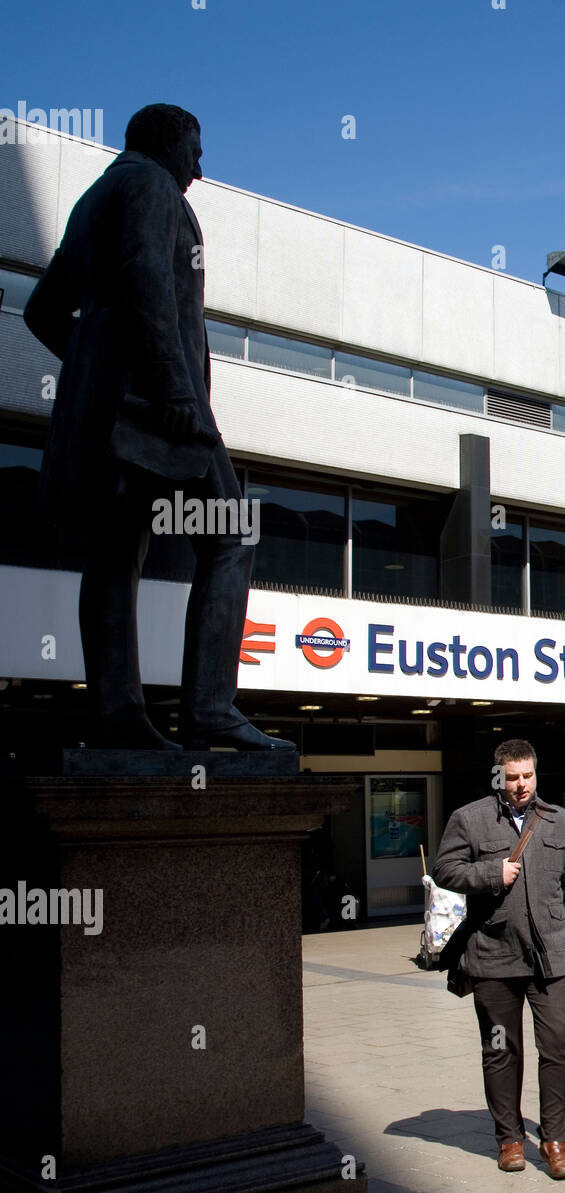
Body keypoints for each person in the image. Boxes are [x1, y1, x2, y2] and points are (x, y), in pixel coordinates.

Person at [22, 104, 288, 753]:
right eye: (195, 150)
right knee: (230, 537)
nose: (200, 165)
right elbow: (147, 278)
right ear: (169, 143)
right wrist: (167, 386)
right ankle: (210, 708)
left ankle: (119, 716)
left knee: (116, 555)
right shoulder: (149, 185)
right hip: (163, 411)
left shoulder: (95, 199)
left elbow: (42, 311)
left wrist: (98, 372)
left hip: (114, 413)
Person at [432, 738, 565, 1179]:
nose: (522, 785)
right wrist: (490, 873)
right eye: (513, 777)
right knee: (501, 1050)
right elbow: (445, 870)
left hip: (551, 955)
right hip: (493, 954)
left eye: (528, 776)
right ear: (498, 776)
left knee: (559, 1044)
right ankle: (510, 1139)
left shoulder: (557, 820)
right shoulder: (470, 818)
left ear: (536, 774)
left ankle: (556, 1139)